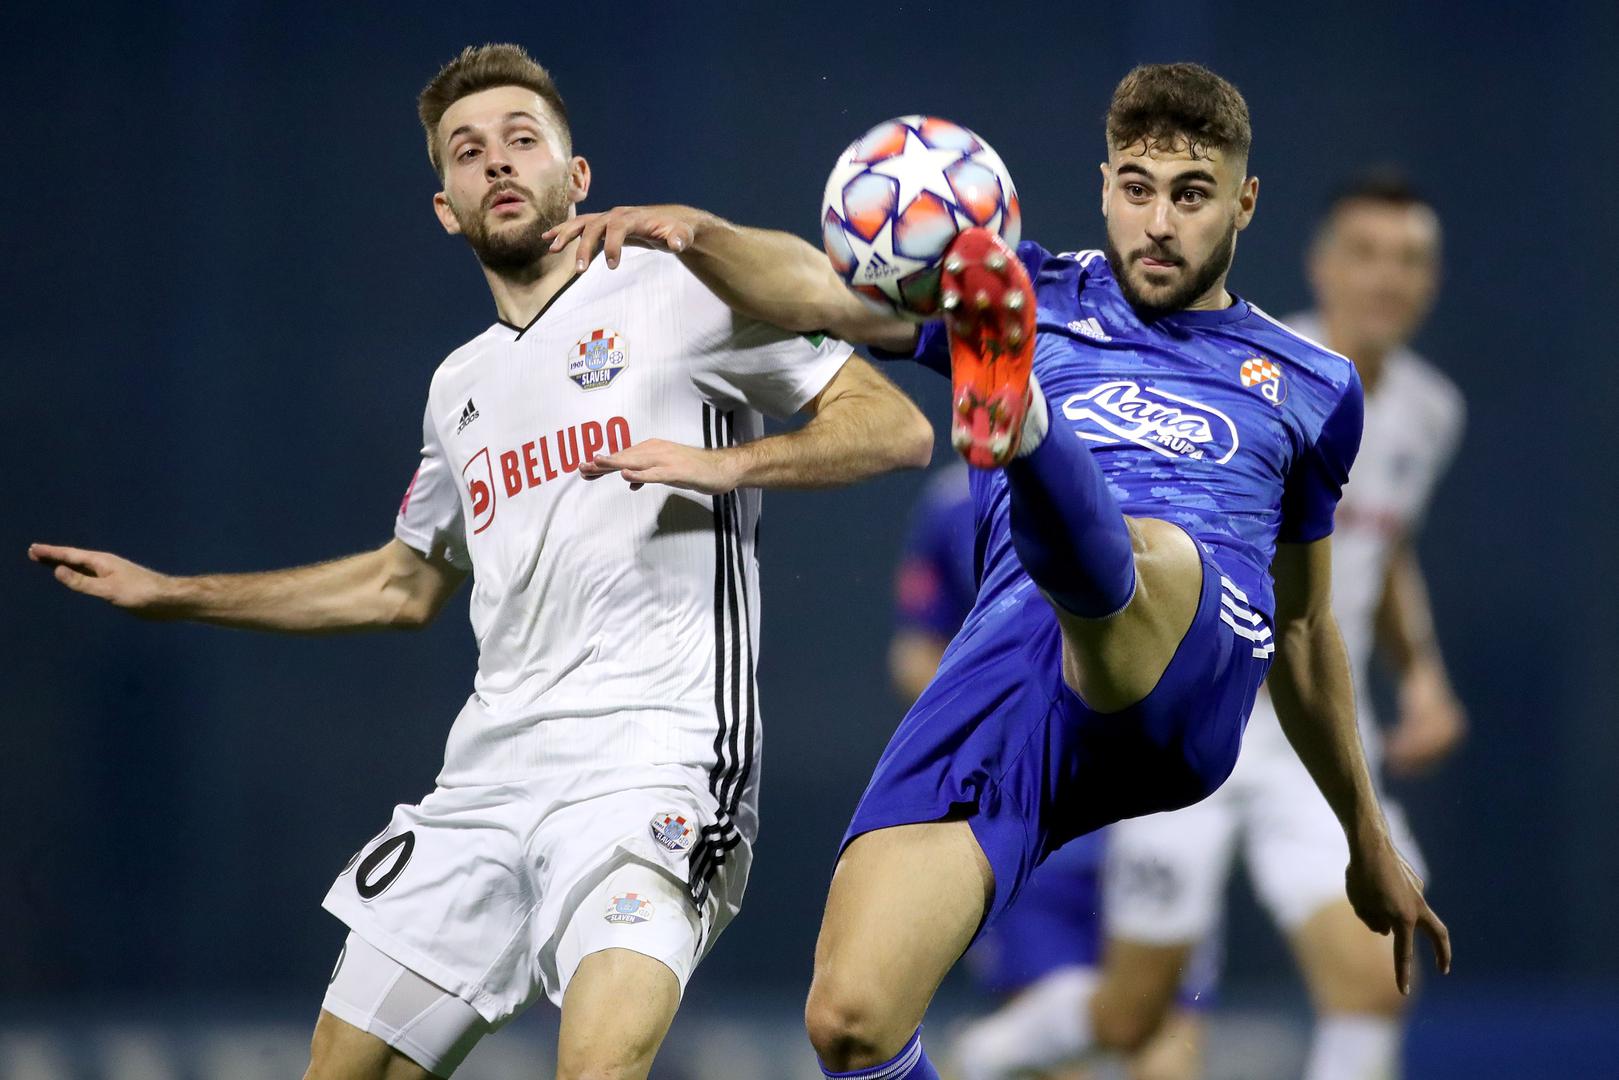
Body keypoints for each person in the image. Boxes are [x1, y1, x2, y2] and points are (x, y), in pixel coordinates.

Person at [27, 43, 932, 1080]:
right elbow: (398, 584)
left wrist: (733, 466)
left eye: (520, 140)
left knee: (594, 1067)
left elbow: (894, 428)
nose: (496, 163)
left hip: (654, 755)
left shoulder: (680, 291)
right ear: (445, 208)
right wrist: (175, 595)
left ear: (575, 175)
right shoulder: (456, 389)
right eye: (468, 152)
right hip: (489, 779)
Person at [546, 61, 1451, 1080]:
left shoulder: (1310, 385)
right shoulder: (1039, 292)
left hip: (1187, 655)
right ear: (1105, 184)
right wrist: (696, 235)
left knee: (1144, 551)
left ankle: (1019, 426)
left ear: (1243, 202)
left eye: (1191, 196)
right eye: (1138, 189)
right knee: (851, 1020)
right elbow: (818, 293)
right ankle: (1021, 430)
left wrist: (1363, 834)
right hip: (1019, 665)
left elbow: (1300, 625)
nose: (1159, 223)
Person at [1095, 171, 1465, 1080]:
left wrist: (1420, 673)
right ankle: (999, 1049)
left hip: (1312, 729)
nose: (1387, 279)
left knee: (1377, 976)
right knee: (1129, 1019)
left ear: (1432, 280)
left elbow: (1379, 551)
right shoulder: (1253, 371)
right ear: (1322, 265)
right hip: (1192, 720)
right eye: (1366, 255)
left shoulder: (1427, 411)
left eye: (1409, 260)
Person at [892, 466, 1210, 1080]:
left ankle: (985, 1055)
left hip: (1155, 812)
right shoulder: (957, 502)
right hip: (1036, 819)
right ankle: (991, 1056)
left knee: (1167, 1045)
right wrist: (1002, 733)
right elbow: (916, 651)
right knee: (1057, 1066)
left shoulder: (1172, 472)